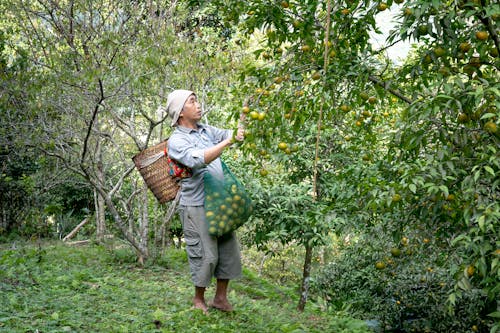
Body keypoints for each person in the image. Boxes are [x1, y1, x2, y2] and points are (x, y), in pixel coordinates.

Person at [165, 89, 244, 314]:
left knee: (228, 250)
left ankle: (220, 298)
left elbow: (229, 134)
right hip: (197, 204)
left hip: (219, 200)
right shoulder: (177, 140)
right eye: (192, 102)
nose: (198, 105)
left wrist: (239, 130)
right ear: (181, 112)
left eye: (196, 100)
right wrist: (228, 142)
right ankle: (198, 298)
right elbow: (198, 160)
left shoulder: (205, 130)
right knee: (205, 254)